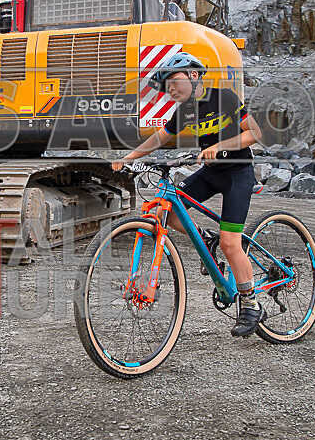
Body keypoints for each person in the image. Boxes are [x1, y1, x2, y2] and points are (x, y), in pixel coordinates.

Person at [112, 51, 265, 337]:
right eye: (166, 87)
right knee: (161, 211)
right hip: (210, 174)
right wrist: (129, 157)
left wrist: (222, 146)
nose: (170, 91)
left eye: (173, 83)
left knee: (231, 244)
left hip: (237, 175)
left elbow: (253, 134)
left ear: (193, 75)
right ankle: (206, 239)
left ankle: (251, 303)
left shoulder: (224, 98)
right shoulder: (185, 111)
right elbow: (160, 138)